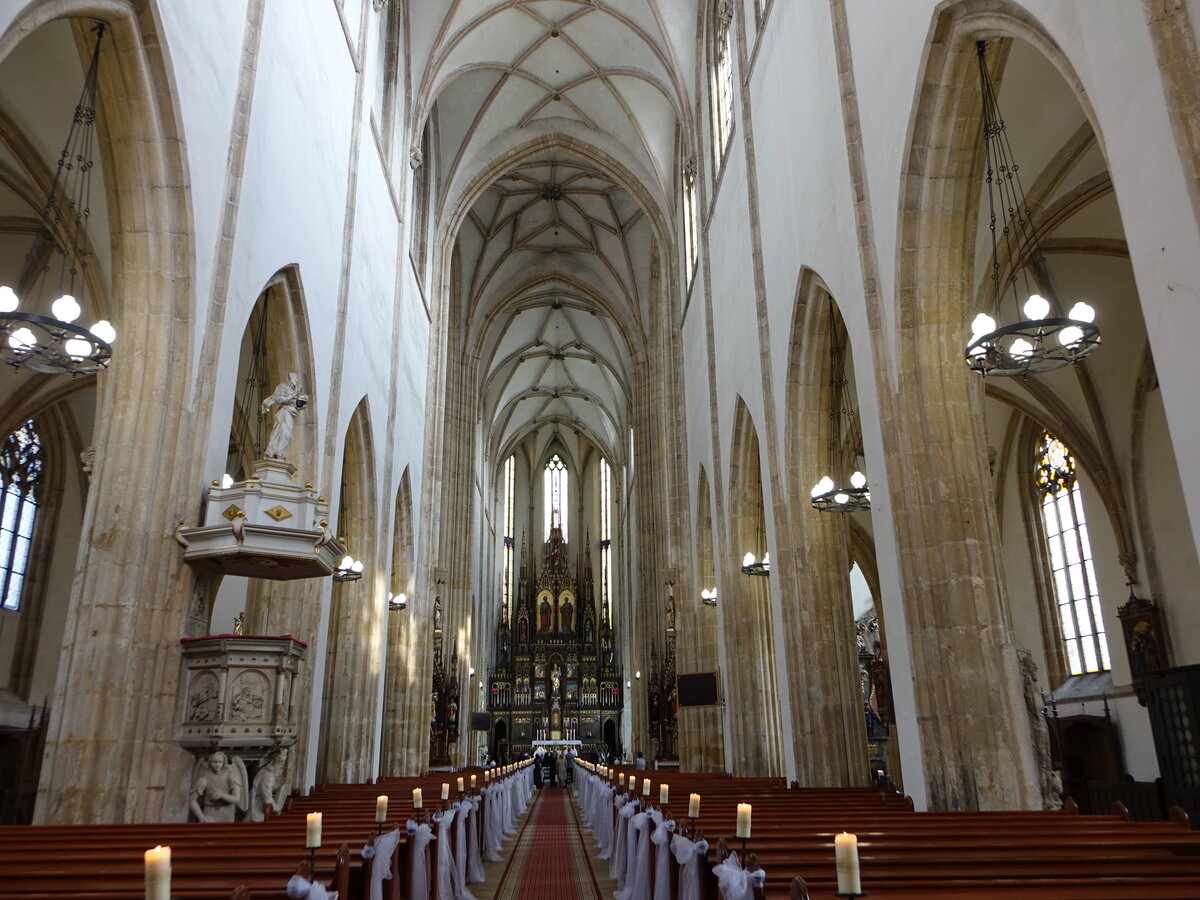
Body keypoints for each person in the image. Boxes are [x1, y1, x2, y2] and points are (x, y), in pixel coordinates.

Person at [189, 750, 247, 822]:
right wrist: (201, 817)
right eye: (215, 762)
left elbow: (236, 798)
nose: (217, 765)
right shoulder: (204, 779)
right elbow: (192, 800)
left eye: (220, 762)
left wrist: (221, 795)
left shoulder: (231, 775)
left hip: (227, 812)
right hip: (209, 811)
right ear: (210, 763)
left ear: (223, 763)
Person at [261, 373, 307, 460]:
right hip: (284, 412)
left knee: (287, 434)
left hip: (291, 413)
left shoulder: (295, 390)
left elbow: (296, 404)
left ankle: (279, 451)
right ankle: (272, 451)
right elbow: (279, 399)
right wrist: (292, 396)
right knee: (281, 431)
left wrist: (302, 404)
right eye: (295, 378)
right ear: (289, 378)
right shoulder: (282, 386)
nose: (297, 381)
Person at [248, 747, 288, 821]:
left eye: (283, 762)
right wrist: (277, 808)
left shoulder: (266, 773)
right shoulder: (268, 776)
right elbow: (267, 799)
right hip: (257, 816)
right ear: (272, 761)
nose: (282, 765)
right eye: (280, 762)